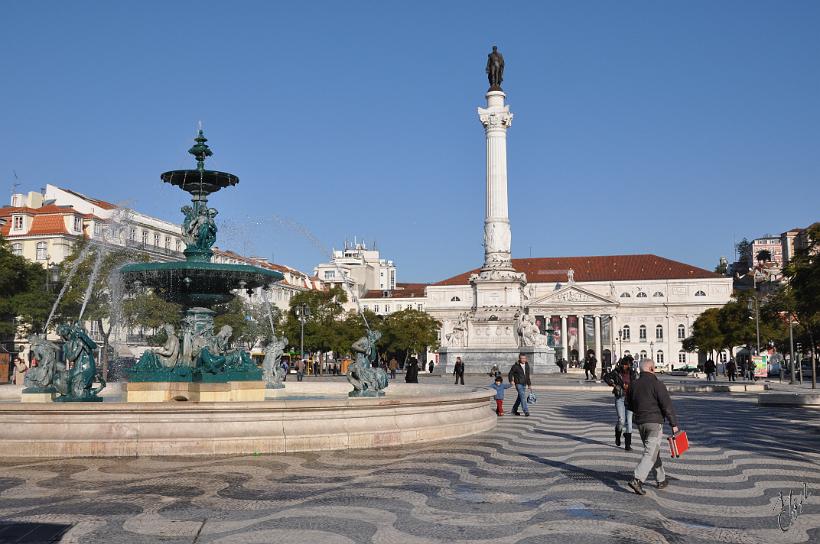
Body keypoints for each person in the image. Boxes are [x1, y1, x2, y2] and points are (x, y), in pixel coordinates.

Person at [626, 359, 679, 495]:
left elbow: (628, 404)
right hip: (655, 423)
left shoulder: (634, 385)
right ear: (652, 368)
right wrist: (674, 424)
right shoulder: (657, 384)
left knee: (653, 450)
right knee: (650, 452)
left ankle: (661, 479)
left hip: (641, 423)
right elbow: (667, 406)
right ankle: (637, 479)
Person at [603, 357, 639, 451]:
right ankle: (618, 435)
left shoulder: (633, 373)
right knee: (621, 420)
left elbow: (638, 384)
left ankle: (628, 445)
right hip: (620, 398)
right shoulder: (616, 371)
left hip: (630, 399)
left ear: (630, 365)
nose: (624, 366)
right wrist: (614, 384)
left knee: (629, 422)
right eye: (623, 364)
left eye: (627, 364)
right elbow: (606, 377)